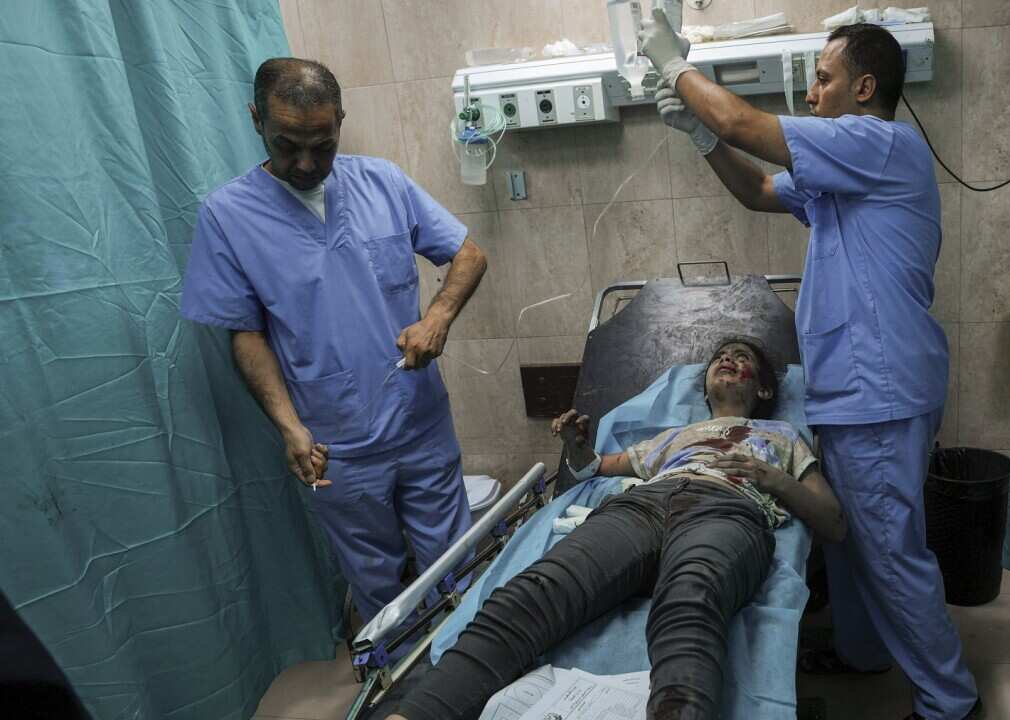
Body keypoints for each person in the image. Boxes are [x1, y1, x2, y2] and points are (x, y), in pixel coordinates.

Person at [638, 13, 982, 720]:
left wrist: (680, 70)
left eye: (823, 80)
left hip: (878, 392)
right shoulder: (842, 175)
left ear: (863, 86)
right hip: (854, 391)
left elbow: (741, 122)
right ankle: (862, 653)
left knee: (890, 551)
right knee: (852, 540)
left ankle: (950, 702)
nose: (812, 94)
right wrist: (702, 138)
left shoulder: (879, 143)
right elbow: (756, 190)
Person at [180, 58, 488, 643]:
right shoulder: (227, 216)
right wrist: (288, 426)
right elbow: (244, 334)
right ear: (255, 120)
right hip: (334, 445)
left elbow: (468, 254)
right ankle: (404, 689)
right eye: (286, 144)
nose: (304, 162)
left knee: (458, 569)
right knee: (379, 589)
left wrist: (438, 317)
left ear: (341, 122)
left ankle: (475, 681)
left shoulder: (383, 183)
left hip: (419, 421)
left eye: (321, 145)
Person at [386, 339, 846, 720]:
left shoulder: (782, 437)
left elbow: (833, 522)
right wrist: (578, 444)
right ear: (704, 386)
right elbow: (594, 469)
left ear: (764, 390)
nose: (729, 359)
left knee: (691, 601)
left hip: (728, 509)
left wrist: (773, 478)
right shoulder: (672, 437)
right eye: (721, 356)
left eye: (742, 357)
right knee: (532, 594)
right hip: (642, 505)